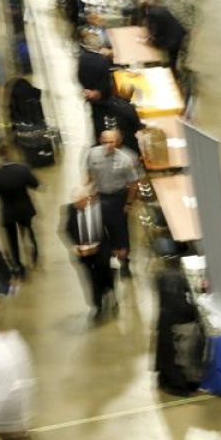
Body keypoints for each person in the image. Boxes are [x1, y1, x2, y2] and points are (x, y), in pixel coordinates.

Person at [86, 129, 139, 278]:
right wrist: (88, 191)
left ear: (118, 142)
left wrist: (128, 203)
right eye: (105, 142)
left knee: (120, 231)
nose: (108, 145)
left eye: (112, 142)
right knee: (100, 230)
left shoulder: (125, 160)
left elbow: (134, 184)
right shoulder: (93, 154)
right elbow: (89, 173)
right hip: (100, 196)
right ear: (100, 141)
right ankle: (107, 258)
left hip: (117, 198)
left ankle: (124, 262)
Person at [0, 143, 40, 276]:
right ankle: (34, 256)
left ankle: (18, 267)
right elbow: (35, 184)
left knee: (11, 240)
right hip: (25, 209)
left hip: (7, 212)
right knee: (28, 232)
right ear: (10, 152)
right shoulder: (22, 169)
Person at [61, 187, 115, 321]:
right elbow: (66, 229)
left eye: (79, 202)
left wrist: (116, 248)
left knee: (107, 275)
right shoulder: (70, 209)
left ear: (87, 199)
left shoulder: (101, 208)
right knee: (91, 280)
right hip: (84, 256)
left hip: (102, 251)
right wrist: (76, 247)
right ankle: (98, 306)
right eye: (75, 203)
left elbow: (113, 227)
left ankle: (111, 293)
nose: (76, 205)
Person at [153, 262, 201, 396]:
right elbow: (188, 310)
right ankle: (180, 384)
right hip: (178, 332)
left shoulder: (164, 281)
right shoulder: (180, 301)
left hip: (167, 325)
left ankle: (168, 380)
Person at [101, 84, 145, 155]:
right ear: (131, 94)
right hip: (126, 139)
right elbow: (136, 126)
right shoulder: (129, 108)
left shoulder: (109, 102)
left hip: (110, 134)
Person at [144, 2, 187, 73]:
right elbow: (161, 25)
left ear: (146, 9)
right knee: (173, 57)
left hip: (171, 38)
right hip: (179, 34)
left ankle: (168, 71)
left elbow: (157, 29)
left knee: (164, 52)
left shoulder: (152, 13)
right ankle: (173, 71)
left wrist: (151, 39)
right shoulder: (161, 9)